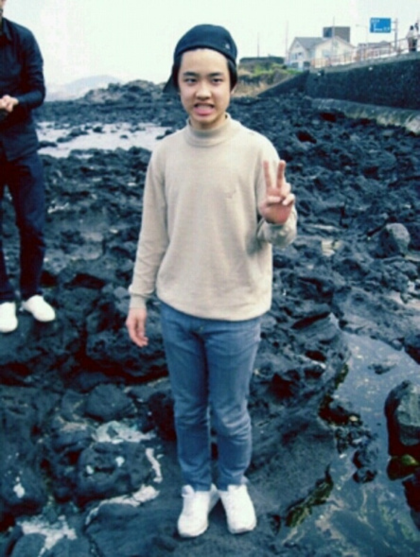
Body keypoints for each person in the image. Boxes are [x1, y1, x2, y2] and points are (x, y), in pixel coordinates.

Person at [126, 24, 297, 538]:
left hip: (237, 314)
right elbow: (153, 233)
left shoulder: (256, 149)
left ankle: (233, 483)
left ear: (233, 84)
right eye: (191, 79)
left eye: (215, 80)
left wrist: (278, 219)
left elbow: (280, 235)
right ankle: (197, 487)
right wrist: (139, 296)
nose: (203, 91)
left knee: (231, 412)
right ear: (176, 83)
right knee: (187, 410)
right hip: (178, 311)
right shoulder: (164, 154)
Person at [0, 0, 55, 333]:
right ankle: (3, 298)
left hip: (21, 146)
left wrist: (16, 101)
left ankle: (31, 293)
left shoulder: (23, 38)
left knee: (32, 226)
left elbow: (38, 90)